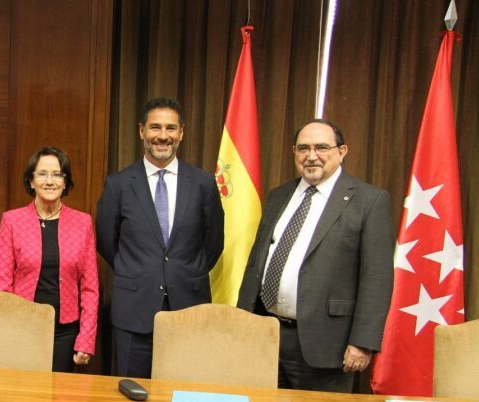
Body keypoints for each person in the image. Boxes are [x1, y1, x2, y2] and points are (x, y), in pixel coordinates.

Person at [237, 119, 394, 392]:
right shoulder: (279, 196)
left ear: (342, 151)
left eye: (322, 147)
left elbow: (377, 279)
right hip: (265, 337)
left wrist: (362, 343)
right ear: (294, 152)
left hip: (326, 344)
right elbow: (256, 264)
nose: (312, 156)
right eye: (303, 148)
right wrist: (241, 322)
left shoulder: (369, 201)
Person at [96, 97, 224, 378]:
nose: (163, 136)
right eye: (155, 128)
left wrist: (184, 271)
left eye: (170, 128)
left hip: (188, 306)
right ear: (142, 131)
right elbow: (106, 241)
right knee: (131, 392)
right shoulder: (118, 184)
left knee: (184, 389)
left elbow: (214, 242)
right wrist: (139, 270)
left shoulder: (203, 183)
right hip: (134, 309)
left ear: (182, 133)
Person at [0, 146, 99, 372]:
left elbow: (90, 288)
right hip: (22, 329)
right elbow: (1, 286)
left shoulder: (83, 223)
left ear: (65, 181)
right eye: (42, 174)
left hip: (66, 333)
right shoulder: (12, 221)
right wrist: (6, 332)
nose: (49, 181)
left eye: (57, 174)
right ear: (31, 181)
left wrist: (86, 340)